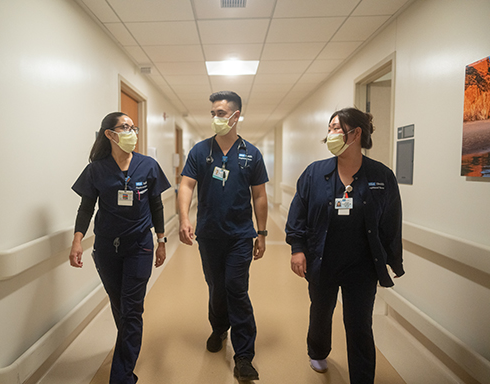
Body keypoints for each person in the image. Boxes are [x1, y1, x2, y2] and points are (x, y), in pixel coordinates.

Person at [285, 107, 404, 383]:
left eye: (337, 128)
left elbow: (391, 221)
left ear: (356, 133)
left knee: (360, 323)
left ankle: (362, 377)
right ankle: (318, 350)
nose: (331, 134)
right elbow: (298, 213)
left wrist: (394, 260)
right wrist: (297, 249)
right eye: (329, 129)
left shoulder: (381, 176)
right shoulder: (315, 174)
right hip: (322, 259)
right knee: (321, 311)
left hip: (362, 267)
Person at [69, 112, 171, 384]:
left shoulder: (148, 166)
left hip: (139, 246)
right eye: (124, 127)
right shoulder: (96, 169)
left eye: (133, 127)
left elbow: (157, 206)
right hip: (106, 248)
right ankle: (128, 345)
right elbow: (86, 207)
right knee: (120, 306)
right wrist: (77, 239)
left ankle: (121, 376)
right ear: (109, 135)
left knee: (131, 309)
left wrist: (161, 240)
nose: (131, 132)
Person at [178, 91, 269, 381]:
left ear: (235, 116)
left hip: (240, 236)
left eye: (221, 113)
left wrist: (262, 233)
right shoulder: (200, 151)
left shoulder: (251, 154)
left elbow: (260, 196)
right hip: (209, 234)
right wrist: (183, 218)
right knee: (217, 287)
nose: (216, 118)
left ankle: (244, 356)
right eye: (213, 113)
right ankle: (219, 328)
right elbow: (187, 186)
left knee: (236, 289)